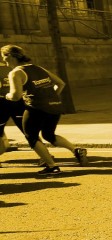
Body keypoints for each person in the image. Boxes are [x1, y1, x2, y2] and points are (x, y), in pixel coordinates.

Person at [2, 44, 88, 175]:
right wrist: (51, 97)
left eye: (4, 57)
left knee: (31, 136)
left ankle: (52, 166)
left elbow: (15, 96)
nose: (3, 61)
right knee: (49, 135)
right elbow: (61, 83)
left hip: (36, 108)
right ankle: (76, 150)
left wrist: (6, 96)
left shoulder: (15, 73)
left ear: (11, 56)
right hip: (55, 107)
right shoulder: (38, 68)